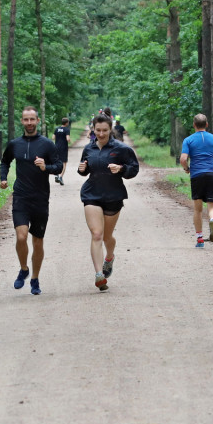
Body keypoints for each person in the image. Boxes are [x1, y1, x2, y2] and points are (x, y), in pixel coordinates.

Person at [0, 106, 62, 295]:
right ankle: (23, 269)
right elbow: (5, 161)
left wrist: (46, 167)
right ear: (21, 121)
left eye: (32, 119)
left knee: (38, 242)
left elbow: (58, 167)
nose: (29, 123)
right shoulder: (14, 144)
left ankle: (34, 279)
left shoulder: (47, 144)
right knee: (21, 236)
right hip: (21, 196)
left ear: (38, 121)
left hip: (41, 198)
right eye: (26, 119)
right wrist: (3, 178)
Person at [78, 113, 139, 291]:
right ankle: (99, 275)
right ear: (93, 129)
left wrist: (121, 168)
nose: (101, 134)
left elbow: (133, 169)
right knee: (97, 234)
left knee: (106, 236)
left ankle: (109, 257)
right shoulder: (88, 148)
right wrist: (82, 169)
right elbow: (84, 169)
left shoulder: (121, 148)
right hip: (92, 195)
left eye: (105, 130)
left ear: (110, 129)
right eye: (98, 130)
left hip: (113, 196)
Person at [179, 113, 213, 247]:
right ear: (206, 124)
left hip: (197, 175)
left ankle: (200, 239)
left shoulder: (188, 140)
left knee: (198, 209)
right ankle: (212, 219)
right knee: (212, 205)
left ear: (194, 125)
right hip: (212, 174)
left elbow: (183, 159)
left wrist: (187, 168)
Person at [53, 117, 72, 185]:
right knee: (64, 163)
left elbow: (53, 137)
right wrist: (69, 141)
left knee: (57, 161)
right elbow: (67, 138)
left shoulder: (57, 129)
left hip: (56, 147)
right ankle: (61, 177)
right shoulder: (67, 130)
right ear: (66, 123)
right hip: (63, 148)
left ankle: (56, 175)